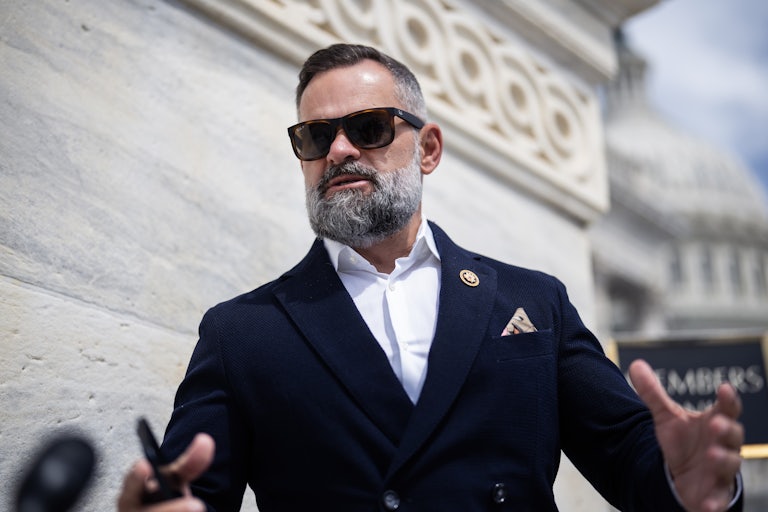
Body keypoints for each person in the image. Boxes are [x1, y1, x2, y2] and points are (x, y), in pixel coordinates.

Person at [118, 43, 744, 512]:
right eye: (315, 136)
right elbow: (190, 492)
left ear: (429, 149)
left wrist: (686, 481)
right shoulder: (242, 332)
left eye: (367, 128)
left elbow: (632, 456)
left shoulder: (533, 302)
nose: (338, 150)